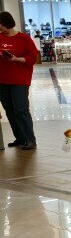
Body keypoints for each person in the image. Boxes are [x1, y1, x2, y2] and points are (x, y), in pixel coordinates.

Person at [0, 11, 39, 151]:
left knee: (21, 110)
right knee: (9, 111)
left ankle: (30, 140)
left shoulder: (24, 38)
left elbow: (33, 57)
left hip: (19, 80)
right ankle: (20, 138)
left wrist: (16, 59)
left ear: (5, 23)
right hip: (2, 80)